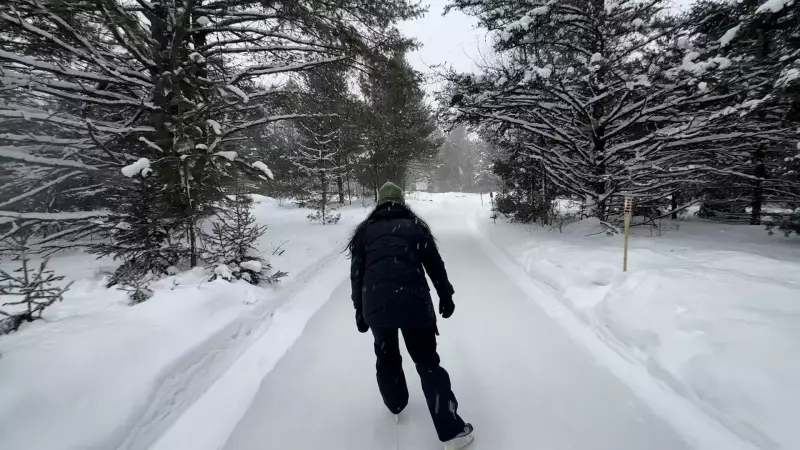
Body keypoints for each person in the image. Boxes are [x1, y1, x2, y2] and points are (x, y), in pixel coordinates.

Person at [346, 181, 474, 450]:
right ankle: (452, 433)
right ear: (402, 202)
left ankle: (396, 404)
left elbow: (356, 275)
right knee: (428, 363)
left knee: (386, 356)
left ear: (379, 203)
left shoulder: (364, 232)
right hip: (414, 306)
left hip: (377, 309)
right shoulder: (416, 228)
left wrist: (359, 309)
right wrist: (446, 295)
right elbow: (435, 266)